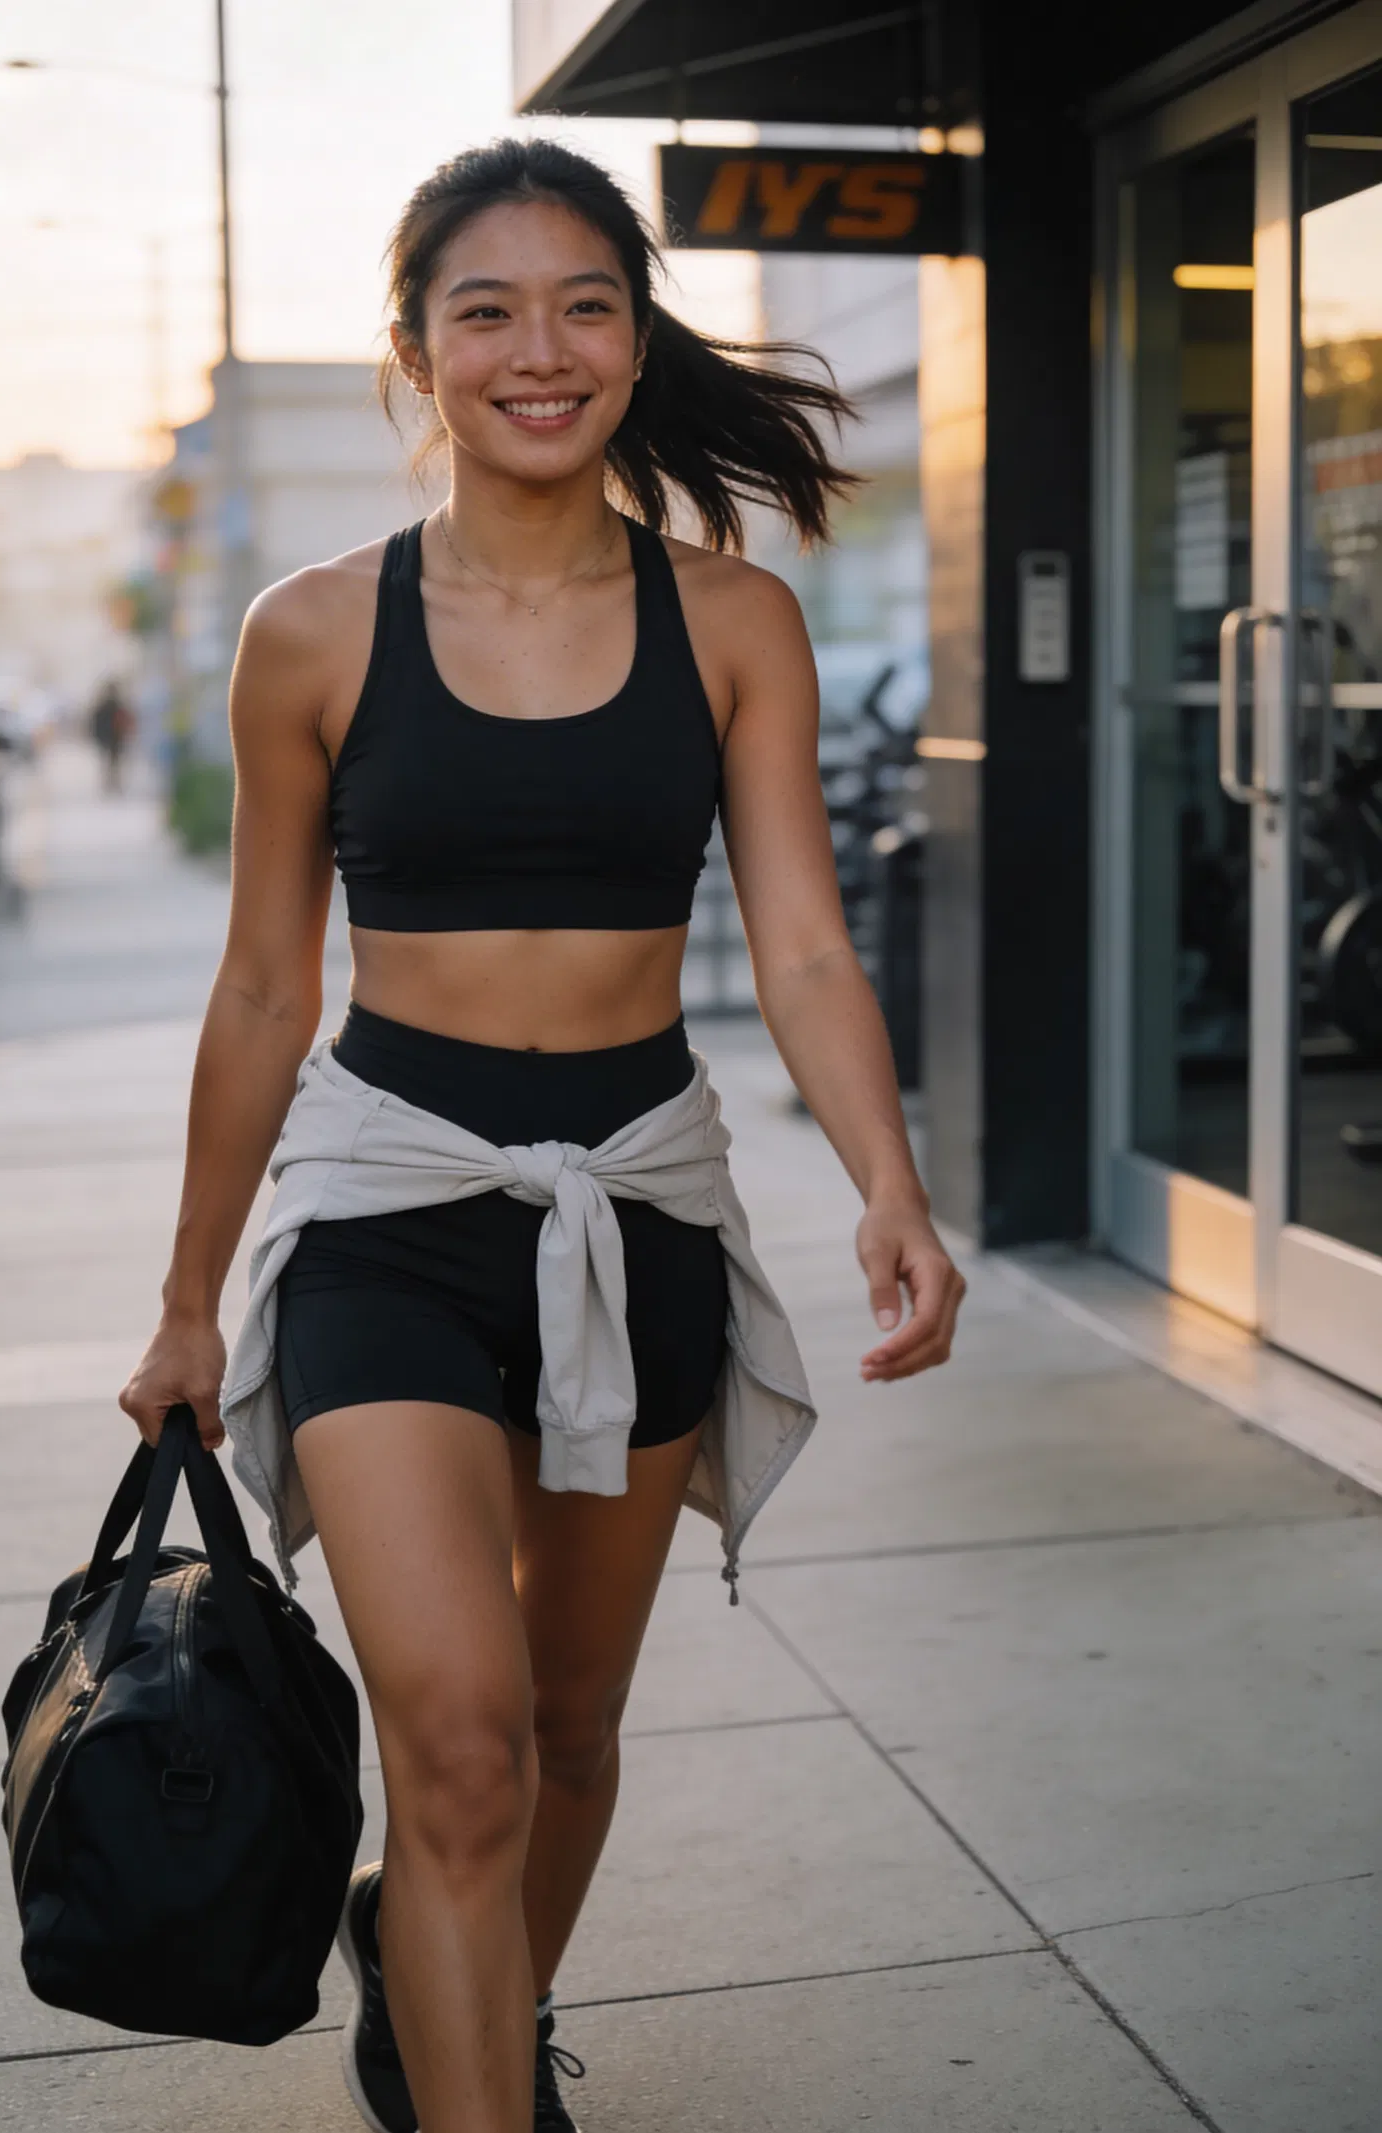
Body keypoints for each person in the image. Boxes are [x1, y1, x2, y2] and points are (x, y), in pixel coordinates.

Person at [120, 138, 965, 2133]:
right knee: (465, 1738)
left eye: (584, 302)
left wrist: (888, 1187)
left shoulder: (730, 619)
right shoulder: (312, 633)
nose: (539, 347)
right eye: (483, 309)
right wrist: (181, 1302)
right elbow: (260, 989)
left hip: (637, 1198)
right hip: (386, 1213)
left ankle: (442, 2012)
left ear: (635, 333)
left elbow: (807, 947)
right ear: (412, 348)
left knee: (570, 1724)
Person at [88, 678, 134, 791]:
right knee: (114, 762)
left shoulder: (103, 706)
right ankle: (113, 782)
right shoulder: (117, 705)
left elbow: (95, 722)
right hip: (115, 738)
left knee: (109, 762)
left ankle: (111, 782)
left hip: (109, 738)